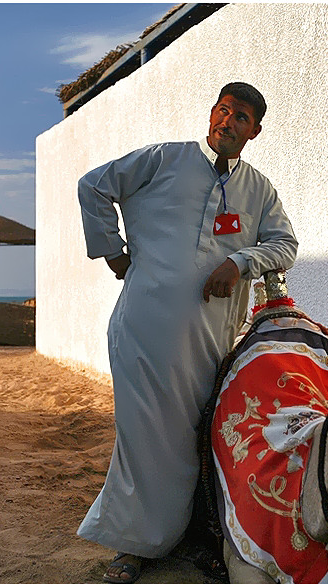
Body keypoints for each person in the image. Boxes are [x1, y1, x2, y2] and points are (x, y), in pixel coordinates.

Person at [76, 82, 298, 583]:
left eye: (241, 118)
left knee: (197, 436)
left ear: (254, 131)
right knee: (142, 437)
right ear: (211, 113)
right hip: (143, 331)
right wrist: (112, 251)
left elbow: (285, 244)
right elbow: (93, 185)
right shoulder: (162, 160)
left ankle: (193, 533)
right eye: (223, 111)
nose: (228, 122)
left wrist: (242, 262)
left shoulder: (259, 190)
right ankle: (133, 545)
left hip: (209, 341)